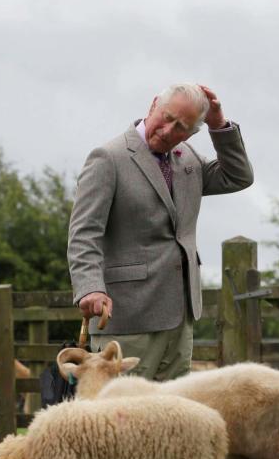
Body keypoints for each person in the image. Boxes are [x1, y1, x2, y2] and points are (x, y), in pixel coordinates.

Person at [67, 83, 253, 380]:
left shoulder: (189, 158)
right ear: (153, 105)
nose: (168, 131)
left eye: (181, 127)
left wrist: (219, 125)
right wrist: (90, 286)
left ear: (193, 133)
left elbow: (238, 176)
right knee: (120, 418)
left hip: (180, 319)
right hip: (127, 317)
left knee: (169, 419)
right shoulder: (108, 158)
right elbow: (83, 232)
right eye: (166, 117)